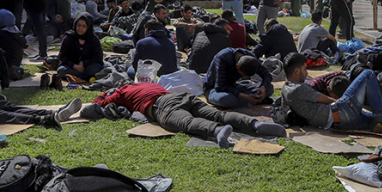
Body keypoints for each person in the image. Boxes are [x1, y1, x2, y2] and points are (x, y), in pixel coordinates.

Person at [91, 82, 285, 148]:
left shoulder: (121, 92)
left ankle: (216, 131)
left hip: (161, 105)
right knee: (218, 114)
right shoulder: (147, 84)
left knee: (185, 122)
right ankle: (254, 125)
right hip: (182, 96)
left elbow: (97, 104)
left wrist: (105, 94)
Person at [282, 53, 382, 132]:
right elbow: (325, 99)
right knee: (368, 74)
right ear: (296, 71)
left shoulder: (286, 89)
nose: (307, 73)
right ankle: (381, 118)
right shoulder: (299, 89)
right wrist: (344, 102)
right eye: (305, 69)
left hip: (339, 123)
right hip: (340, 112)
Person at [203, 47, 273, 108]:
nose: (245, 77)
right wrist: (245, 97)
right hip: (214, 89)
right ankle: (252, 101)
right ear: (237, 66)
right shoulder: (223, 57)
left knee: (269, 88)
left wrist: (262, 88)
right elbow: (220, 87)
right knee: (224, 99)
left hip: (233, 87)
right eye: (244, 74)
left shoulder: (251, 58)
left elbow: (267, 75)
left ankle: (251, 100)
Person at [57, 12, 104, 81]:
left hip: (87, 66)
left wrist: (83, 62)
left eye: (84, 26)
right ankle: (84, 77)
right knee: (61, 70)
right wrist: (74, 66)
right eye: (78, 25)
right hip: (72, 66)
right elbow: (62, 56)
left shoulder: (93, 38)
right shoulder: (68, 37)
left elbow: (98, 57)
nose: (80, 28)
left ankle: (76, 77)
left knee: (96, 68)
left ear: (88, 27)